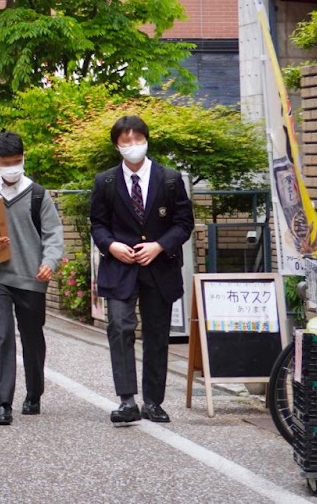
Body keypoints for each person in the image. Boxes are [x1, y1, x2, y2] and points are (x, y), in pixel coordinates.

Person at [90, 114, 194, 426]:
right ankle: (127, 400)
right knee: (120, 327)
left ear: (146, 141)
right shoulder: (105, 182)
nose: (132, 145)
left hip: (159, 267)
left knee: (156, 333)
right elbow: (97, 224)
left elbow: (183, 223)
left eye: (138, 139)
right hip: (119, 268)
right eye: (126, 140)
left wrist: (159, 245)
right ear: (116, 145)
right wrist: (111, 246)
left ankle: (153, 401)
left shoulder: (171, 179)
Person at [0, 132, 64, 425]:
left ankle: (34, 393)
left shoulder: (38, 194)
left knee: (32, 338)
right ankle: (3, 403)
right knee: (1, 337)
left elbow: (54, 234)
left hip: (31, 277)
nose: (13, 168)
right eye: (7, 163)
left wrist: (49, 262)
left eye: (17, 162)